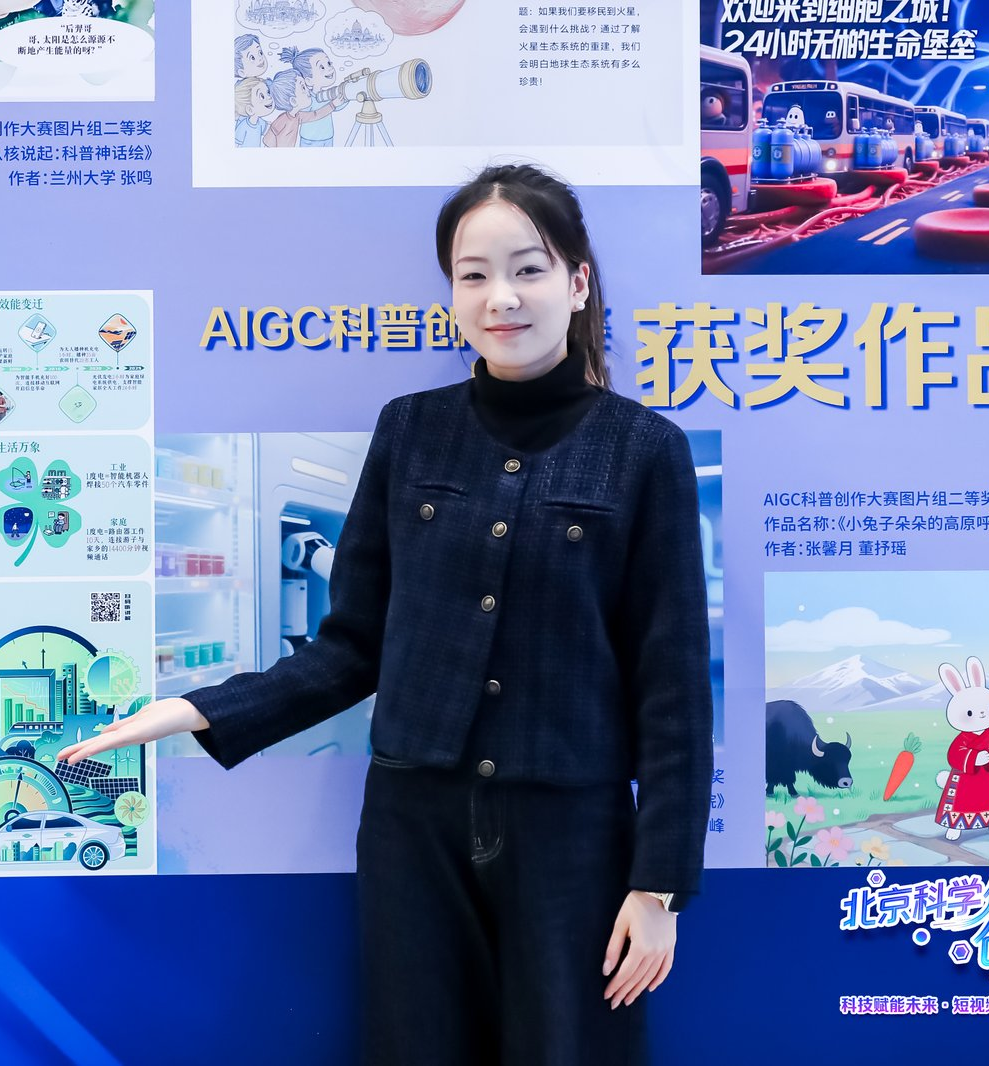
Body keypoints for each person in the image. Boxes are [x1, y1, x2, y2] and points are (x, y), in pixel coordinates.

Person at [60, 163, 713, 1065]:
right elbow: (352, 646)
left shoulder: (645, 451)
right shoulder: (410, 429)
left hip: (572, 835)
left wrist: (658, 886)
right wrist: (197, 708)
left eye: (528, 269)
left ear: (576, 282)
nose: (501, 297)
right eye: (473, 275)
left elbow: (671, 693)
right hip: (416, 826)